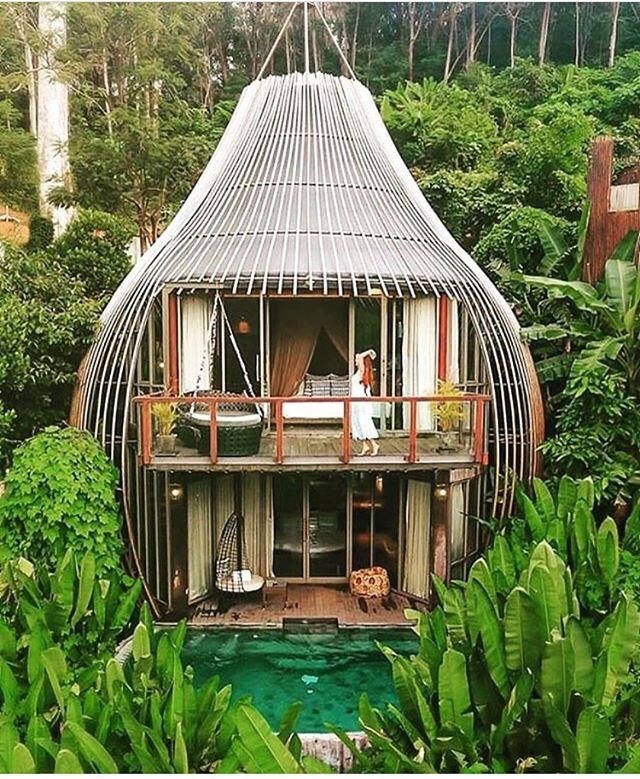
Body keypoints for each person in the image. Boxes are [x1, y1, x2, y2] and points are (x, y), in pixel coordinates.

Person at [351, 349, 380, 456]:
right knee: (358, 422)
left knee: (364, 421)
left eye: (356, 359)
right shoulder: (359, 373)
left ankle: (374, 444)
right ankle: (365, 445)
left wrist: (368, 352)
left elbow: (360, 357)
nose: (355, 360)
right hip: (356, 401)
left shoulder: (362, 371)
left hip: (361, 402)